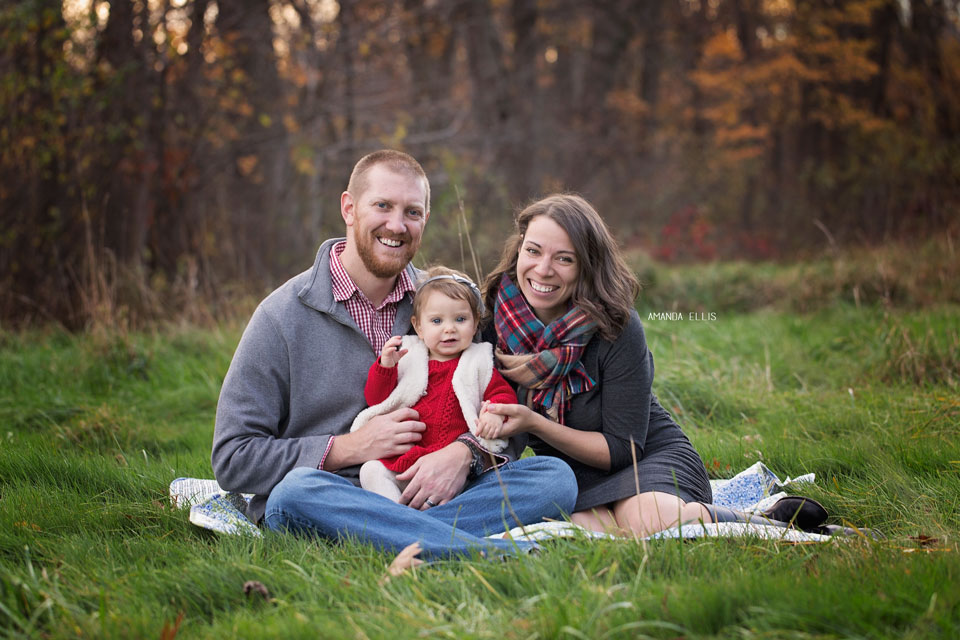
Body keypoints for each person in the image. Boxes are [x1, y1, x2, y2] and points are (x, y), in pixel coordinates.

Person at [212, 151, 577, 559]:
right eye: (382, 206)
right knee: (292, 496)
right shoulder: (281, 316)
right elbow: (233, 458)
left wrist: (465, 454)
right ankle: (480, 552)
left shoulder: (447, 305)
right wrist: (349, 448)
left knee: (554, 478)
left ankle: (401, 539)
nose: (397, 225)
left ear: (425, 220)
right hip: (336, 497)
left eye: (413, 212)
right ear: (349, 208)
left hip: (441, 491)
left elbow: (503, 415)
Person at [477, 194, 833, 537]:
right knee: (585, 530)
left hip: (646, 458)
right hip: (566, 474)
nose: (543, 269)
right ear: (519, 248)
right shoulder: (490, 324)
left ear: (587, 265)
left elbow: (622, 448)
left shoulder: (614, 326)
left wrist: (536, 423)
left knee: (646, 520)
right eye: (533, 251)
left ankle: (767, 522)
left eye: (564, 259)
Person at [353, 266, 516, 502]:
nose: (449, 328)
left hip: (454, 474)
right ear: (419, 326)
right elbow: (377, 399)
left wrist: (493, 414)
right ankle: (399, 518)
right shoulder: (409, 357)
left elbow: (502, 395)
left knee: (543, 475)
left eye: (460, 319)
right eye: (437, 320)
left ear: (475, 322)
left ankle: (422, 520)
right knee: (371, 471)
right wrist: (385, 368)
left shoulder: (478, 362)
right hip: (406, 463)